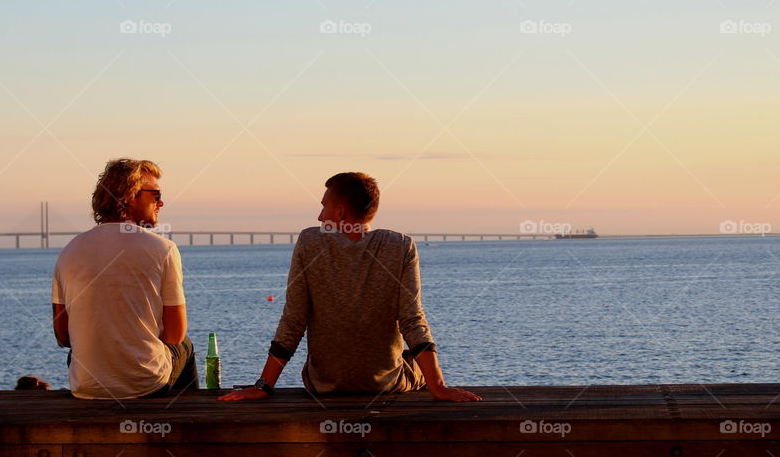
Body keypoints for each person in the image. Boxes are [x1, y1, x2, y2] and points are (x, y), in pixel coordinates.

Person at [219, 172, 481, 402]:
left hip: (324, 386)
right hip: (385, 385)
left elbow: (294, 320)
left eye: (324, 207)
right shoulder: (401, 245)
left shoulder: (309, 242)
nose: (319, 216)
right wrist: (440, 388)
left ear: (341, 211)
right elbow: (412, 320)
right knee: (410, 362)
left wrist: (263, 385)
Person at [52, 158, 198, 399]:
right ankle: (187, 425)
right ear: (129, 196)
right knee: (185, 346)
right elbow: (175, 335)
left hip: (85, 387)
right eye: (155, 194)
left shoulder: (69, 250)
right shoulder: (163, 249)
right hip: (147, 385)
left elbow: (63, 336)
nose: (161, 202)